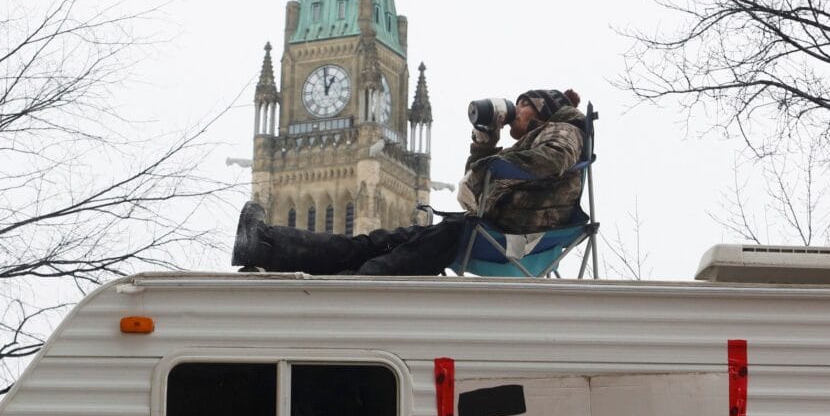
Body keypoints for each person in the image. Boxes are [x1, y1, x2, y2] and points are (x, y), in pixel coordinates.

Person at [231, 88, 586, 275]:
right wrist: (485, 140)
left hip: (503, 234)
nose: (513, 114)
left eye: (522, 105)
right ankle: (266, 245)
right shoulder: (537, 140)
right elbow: (476, 190)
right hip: (490, 228)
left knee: (394, 252)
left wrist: (496, 161)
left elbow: (550, 160)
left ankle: (346, 282)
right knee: (377, 242)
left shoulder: (564, 131)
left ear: (542, 108)